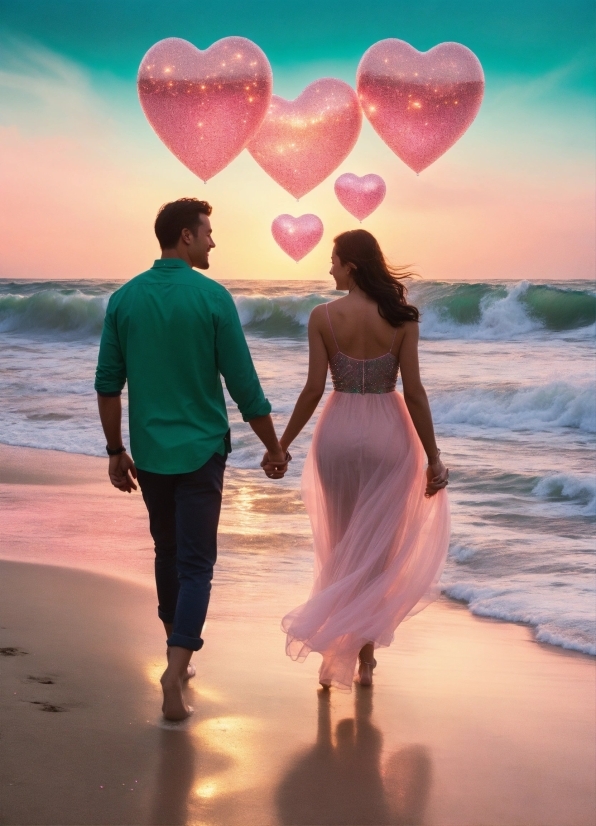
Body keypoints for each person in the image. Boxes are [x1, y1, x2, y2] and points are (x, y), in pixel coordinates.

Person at [95, 198, 289, 720]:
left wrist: (116, 450)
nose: (212, 242)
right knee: (198, 563)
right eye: (207, 232)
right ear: (185, 236)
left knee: (168, 553)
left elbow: (108, 385)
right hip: (202, 451)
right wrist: (273, 446)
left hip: (153, 453)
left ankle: (175, 653)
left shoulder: (124, 300)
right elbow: (244, 385)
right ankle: (177, 668)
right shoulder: (212, 298)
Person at [264, 229, 450, 690]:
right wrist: (434, 458)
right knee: (378, 553)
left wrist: (282, 445)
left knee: (341, 544)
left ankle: (332, 658)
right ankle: (365, 659)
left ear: (350, 264)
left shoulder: (322, 317)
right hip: (390, 434)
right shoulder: (402, 318)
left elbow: (312, 390)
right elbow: (415, 393)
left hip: (339, 433)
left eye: (333, 260)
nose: (329, 268)